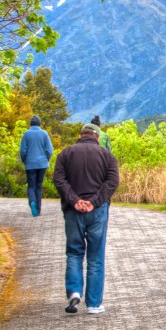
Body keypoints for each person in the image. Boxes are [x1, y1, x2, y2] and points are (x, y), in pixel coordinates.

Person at [52, 122, 120, 315]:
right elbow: (113, 181)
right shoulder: (107, 156)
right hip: (97, 212)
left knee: (74, 253)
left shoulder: (65, 154)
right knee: (95, 257)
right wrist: (94, 202)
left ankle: (74, 291)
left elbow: (59, 179)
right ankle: (94, 304)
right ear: (97, 136)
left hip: (73, 211)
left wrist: (75, 201)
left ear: (80, 135)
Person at [19, 115, 53, 217]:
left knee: (31, 186)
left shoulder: (26, 134)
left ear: (30, 124)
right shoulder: (44, 134)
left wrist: (25, 161)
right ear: (39, 124)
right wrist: (45, 160)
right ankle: (38, 209)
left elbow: (23, 151)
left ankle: (32, 202)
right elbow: (49, 150)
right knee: (39, 186)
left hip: (30, 164)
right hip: (42, 164)